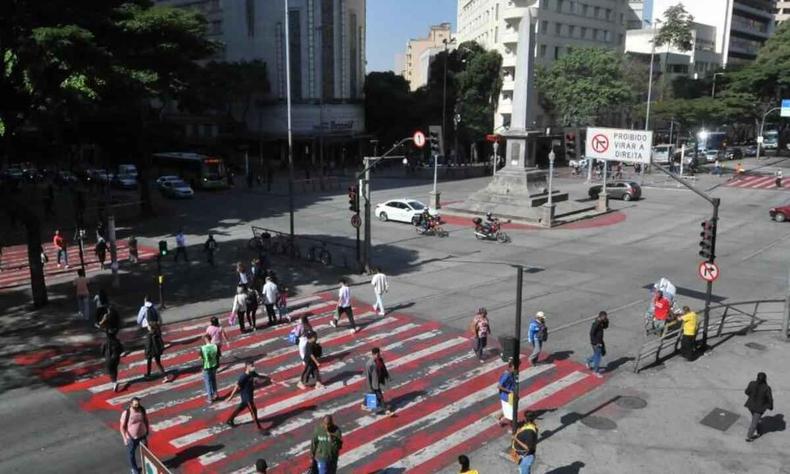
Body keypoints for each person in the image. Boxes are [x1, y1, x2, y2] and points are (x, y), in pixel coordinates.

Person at [225, 361, 265, 430]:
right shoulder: (243, 377)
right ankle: (259, 428)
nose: (253, 367)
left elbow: (258, 376)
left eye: (253, 365)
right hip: (247, 396)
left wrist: (268, 378)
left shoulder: (252, 373)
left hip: (249, 395)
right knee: (253, 411)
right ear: (247, 367)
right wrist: (231, 397)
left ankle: (229, 420)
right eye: (251, 366)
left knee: (241, 408)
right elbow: (236, 387)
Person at [120, 397, 150, 474]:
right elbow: (122, 427)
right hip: (131, 438)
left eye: (138, 404)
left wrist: (147, 430)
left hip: (142, 435)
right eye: (136, 405)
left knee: (146, 453)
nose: (138, 406)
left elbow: (146, 420)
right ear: (131, 405)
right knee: (131, 454)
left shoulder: (142, 409)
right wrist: (125, 438)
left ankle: (146, 466)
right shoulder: (126, 413)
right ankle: (134, 469)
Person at [362, 347, 394, 416]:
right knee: (380, 397)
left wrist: (388, 376)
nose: (379, 355)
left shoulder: (380, 360)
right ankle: (386, 411)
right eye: (378, 354)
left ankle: (364, 404)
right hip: (374, 384)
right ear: (374, 354)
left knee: (372, 394)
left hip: (379, 380)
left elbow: (384, 368)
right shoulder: (369, 364)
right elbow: (368, 377)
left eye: (379, 354)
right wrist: (369, 387)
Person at [745, 372, 774, 442]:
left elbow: (746, 392)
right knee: (754, 423)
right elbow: (770, 399)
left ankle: (757, 427)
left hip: (750, 406)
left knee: (755, 418)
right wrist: (771, 406)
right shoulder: (766, 388)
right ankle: (749, 436)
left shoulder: (752, 383)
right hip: (759, 408)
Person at [585, 311, 608, 378]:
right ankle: (595, 371)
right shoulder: (596, 323)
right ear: (601, 316)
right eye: (605, 317)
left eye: (606, 317)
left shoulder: (601, 322)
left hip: (600, 342)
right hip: (596, 343)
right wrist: (596, 343)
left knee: (597, 355)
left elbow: (605, 327)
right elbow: (591, 333)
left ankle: (588, 361)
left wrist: (606, 321)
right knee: (598, 357)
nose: (605, 318)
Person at [199, 334, 220, 404]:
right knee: (213, 380)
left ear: (205, 339)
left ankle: (210, 398)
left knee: (208, 382)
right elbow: (218, 356)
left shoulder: (203, 348)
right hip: (214, 366)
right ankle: (216, 394)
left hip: (206, 367)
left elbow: (201, 358)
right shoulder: (215, 346)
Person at [496, 360, 516, 426]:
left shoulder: (511, 373)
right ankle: (511, 427)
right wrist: (509, 391)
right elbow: (499, 386)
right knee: (510, 414)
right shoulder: (506, 375)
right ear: (511, 367)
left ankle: (498, 418)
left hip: (510, 396)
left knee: (508, 409)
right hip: (506, 396)